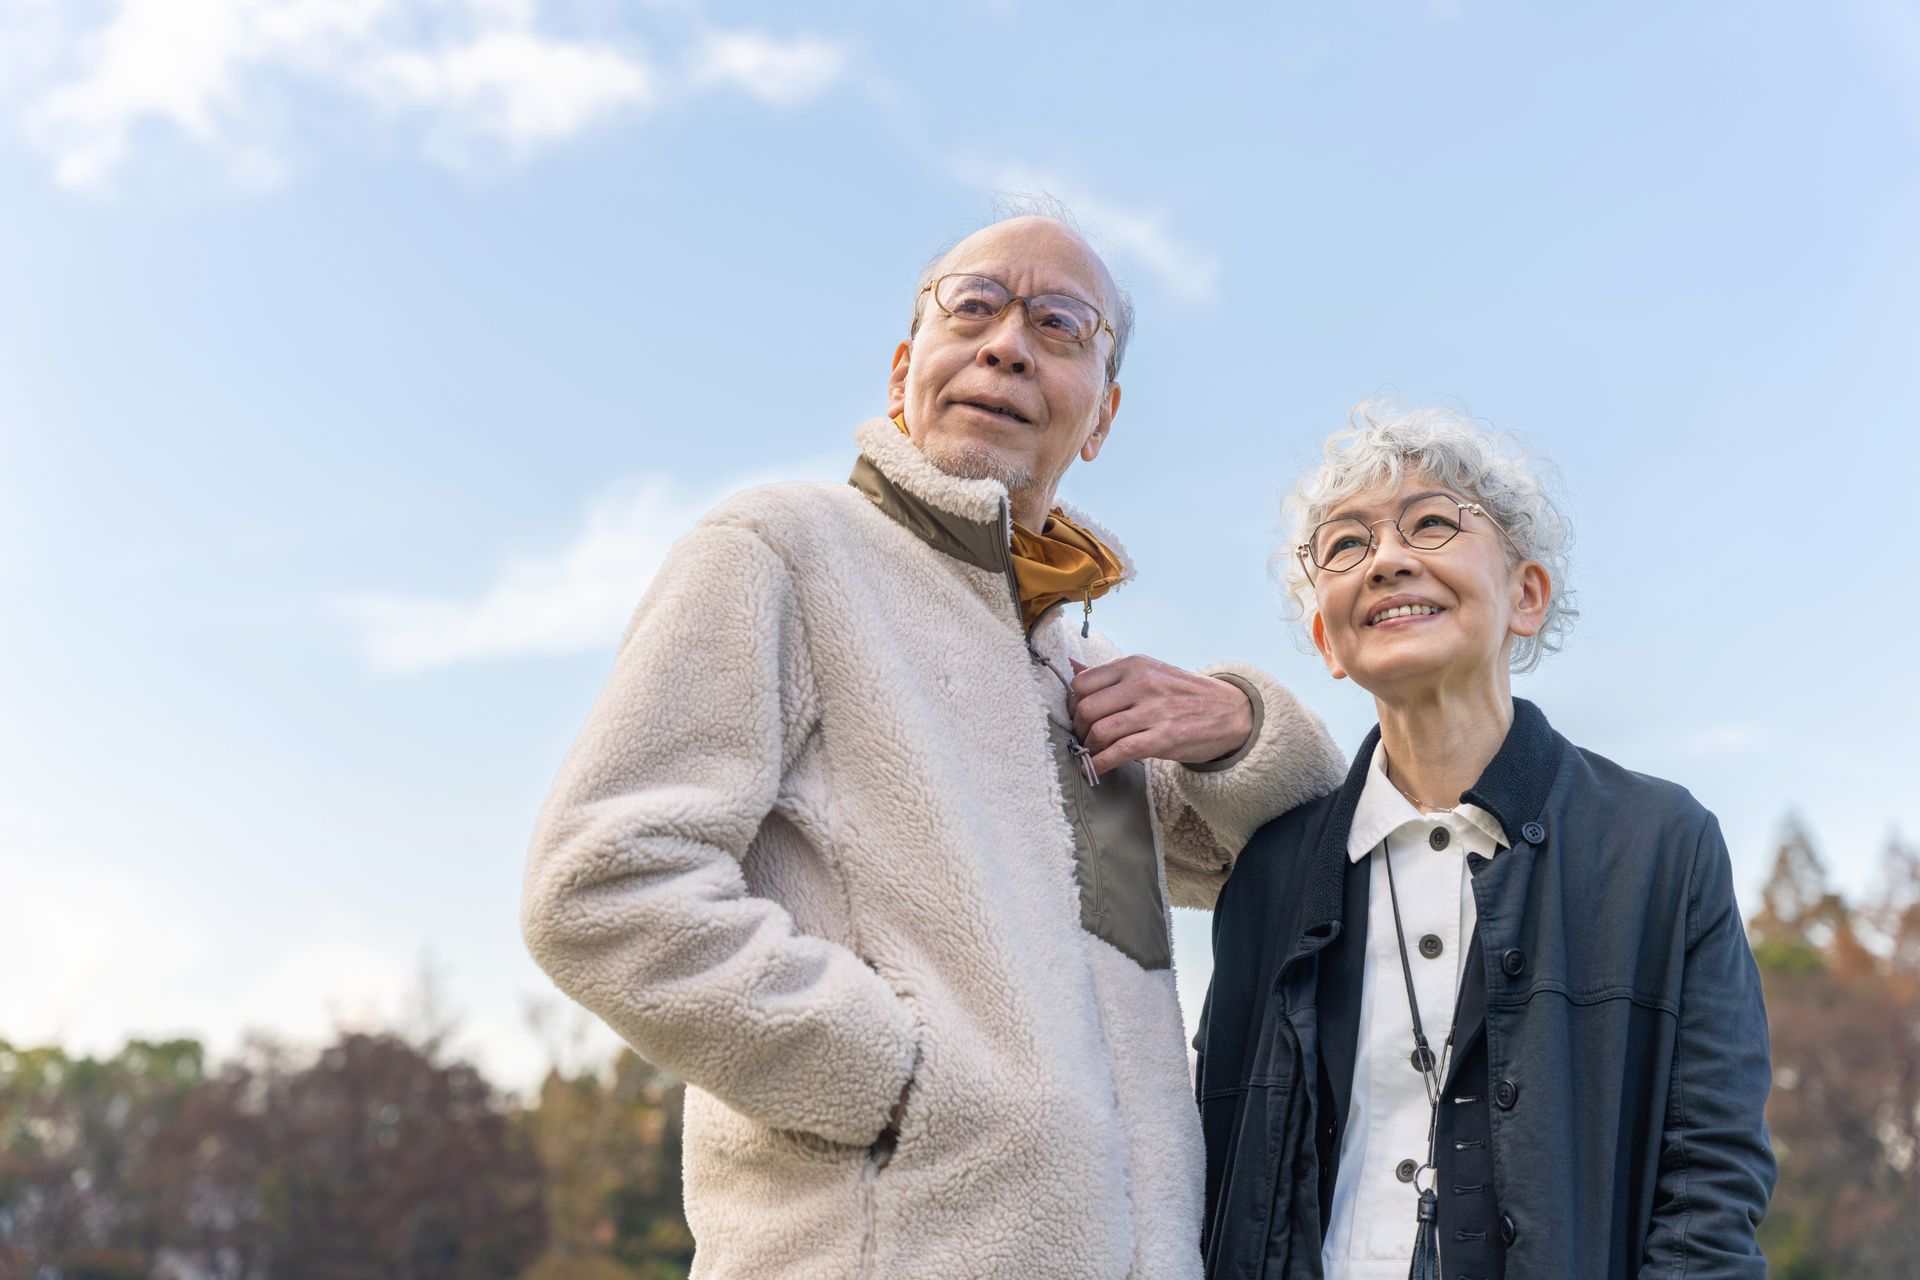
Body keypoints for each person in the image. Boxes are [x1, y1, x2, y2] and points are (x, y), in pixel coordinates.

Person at [522, 207, 1345, 1279]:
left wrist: (1244, 725)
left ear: (1102, 414)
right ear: (907, 365)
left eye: (1059, 325)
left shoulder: (1085, 677)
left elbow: (1311, 858)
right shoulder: (781, 547)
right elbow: (602, 887)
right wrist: (896, 1080)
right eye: (974, 307)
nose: (1007, 342)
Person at [1194, 401, 1776, 1278]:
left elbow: (1708, 1193)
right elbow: (1213, 1165)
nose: (1387, 559)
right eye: (1346, 546)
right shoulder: (1270, 873)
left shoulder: (1661, 846)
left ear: (1526, 596)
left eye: (1430, 522)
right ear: (1328, 640)